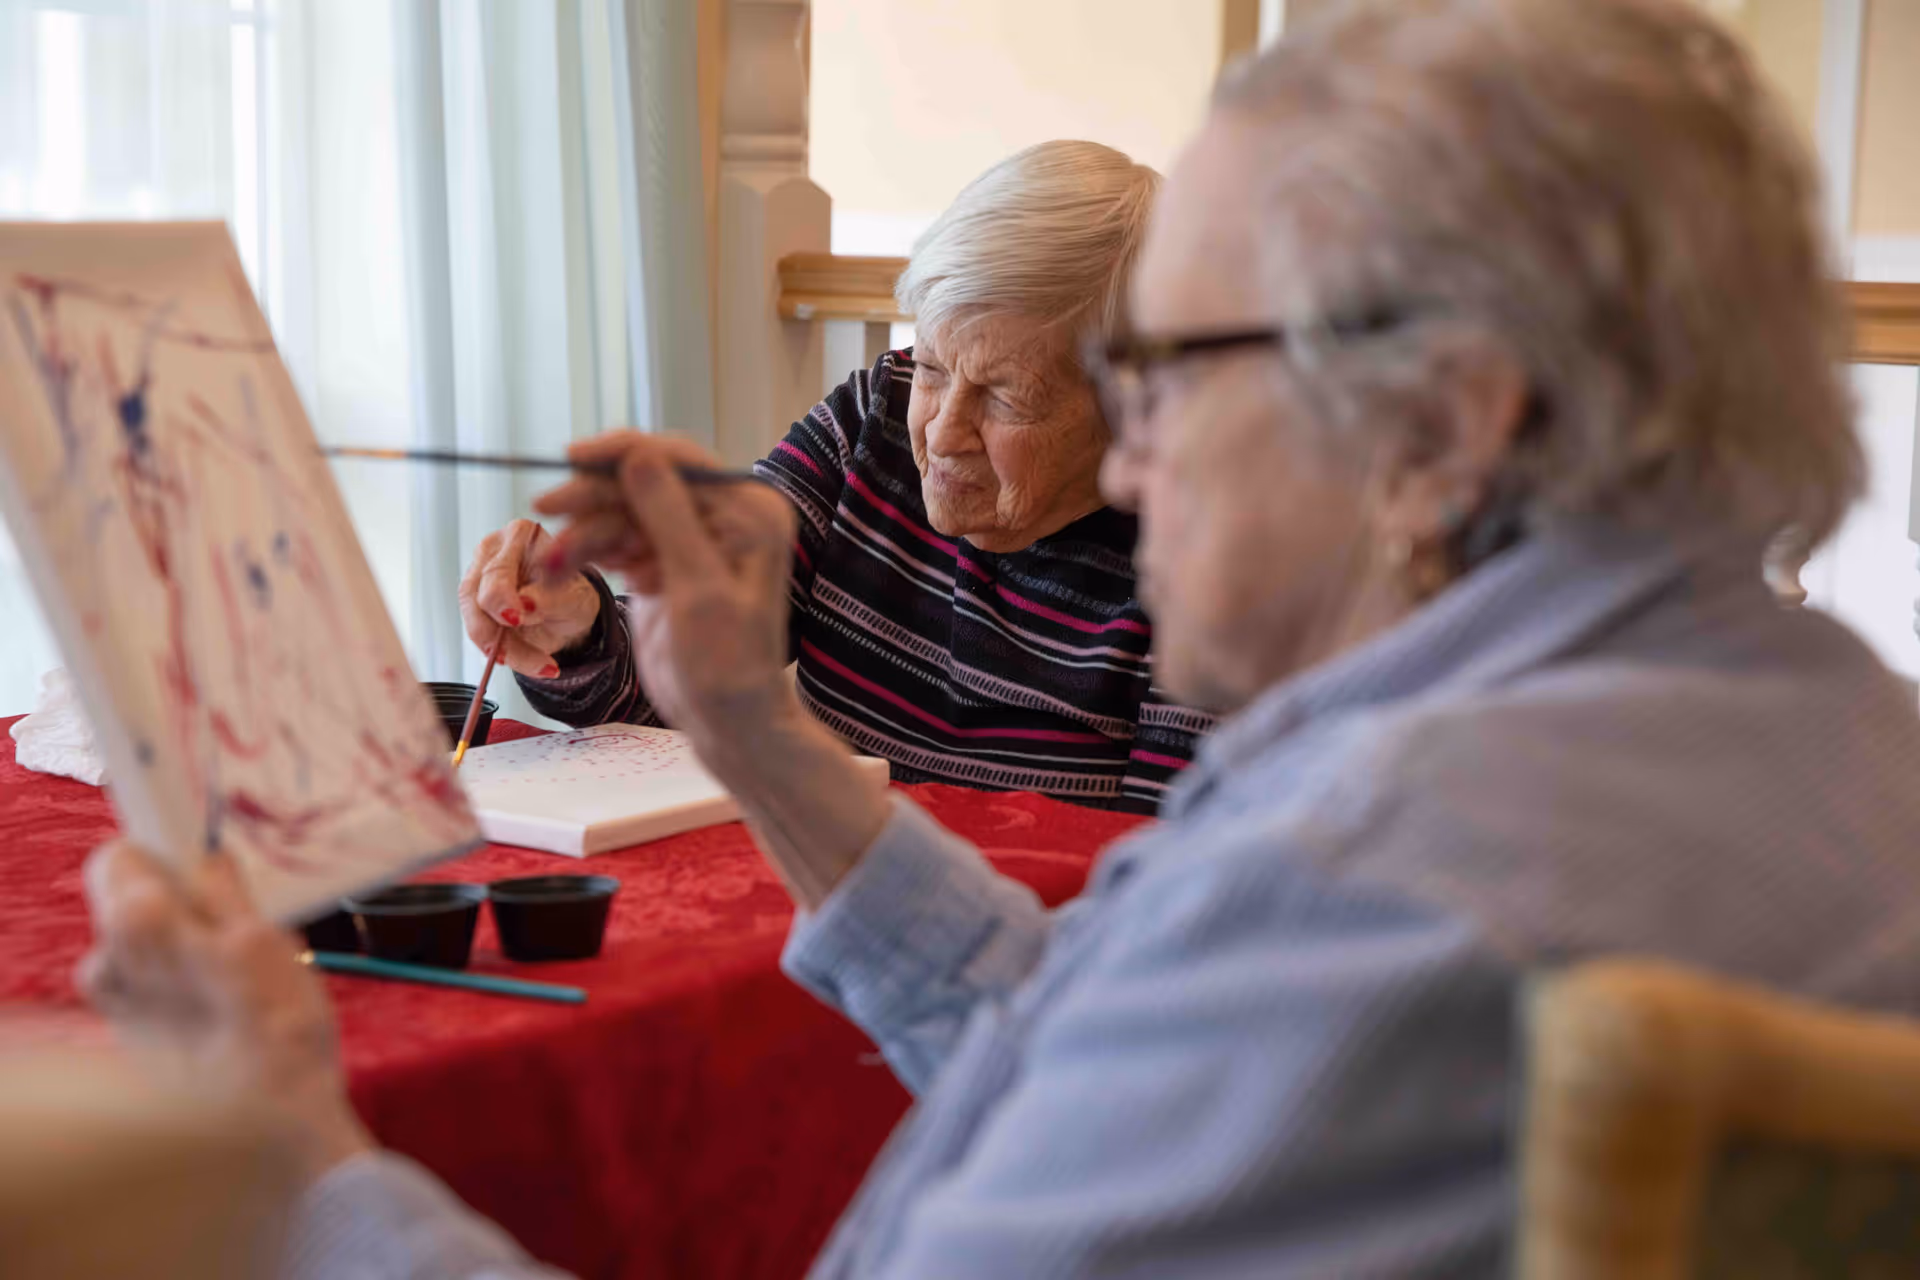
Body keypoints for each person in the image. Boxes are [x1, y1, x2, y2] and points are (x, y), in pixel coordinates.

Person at [81, 0, 1920, 1275]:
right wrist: (755, 740)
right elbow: (1121, 1047)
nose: (1133, 447)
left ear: (1445, 428)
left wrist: (295, 1161)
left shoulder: (1373, 869)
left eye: (1172, 372)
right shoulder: (1848, 745)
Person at [460, 140, 1212, 815]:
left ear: (1125, 403)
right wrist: (581, 623)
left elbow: (1168, 890)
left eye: (1005, 395)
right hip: (821, 898)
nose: (944, 431)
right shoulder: (871, 423)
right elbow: (682, 677)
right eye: (935, 368)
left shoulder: (1203, 550)